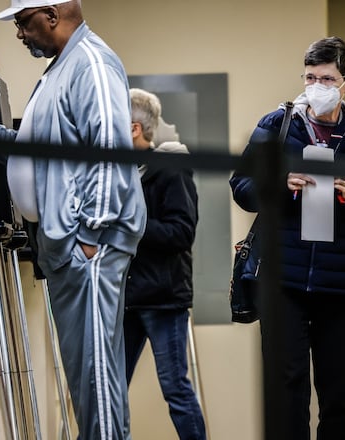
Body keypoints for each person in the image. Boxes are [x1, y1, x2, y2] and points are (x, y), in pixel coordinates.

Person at [0, 1, 146, 439]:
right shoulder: (62, 67)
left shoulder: (91, 61)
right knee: (84, 376)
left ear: (52, 16)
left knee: (95, 376)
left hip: (86, 249)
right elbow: (51, 148)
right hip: (66, 248)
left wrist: (91, 235)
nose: (19, 33)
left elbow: (109, 147)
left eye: (22, 22)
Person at [229, 37, 345, 439]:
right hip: (284, 282)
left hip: (342, 285)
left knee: (340, 393)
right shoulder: (276, 127)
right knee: (286, 391)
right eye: (310, 78)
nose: (316, 87)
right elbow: (242, 188)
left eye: (327, 79)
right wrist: (281, 183)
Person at [124, 89, 206, 440]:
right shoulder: (120, 172)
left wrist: (132, 224)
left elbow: (181, 232)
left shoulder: (171, 171)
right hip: (125, 297)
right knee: (108, 389)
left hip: (163, 298)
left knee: (176, 390)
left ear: (133, 129)